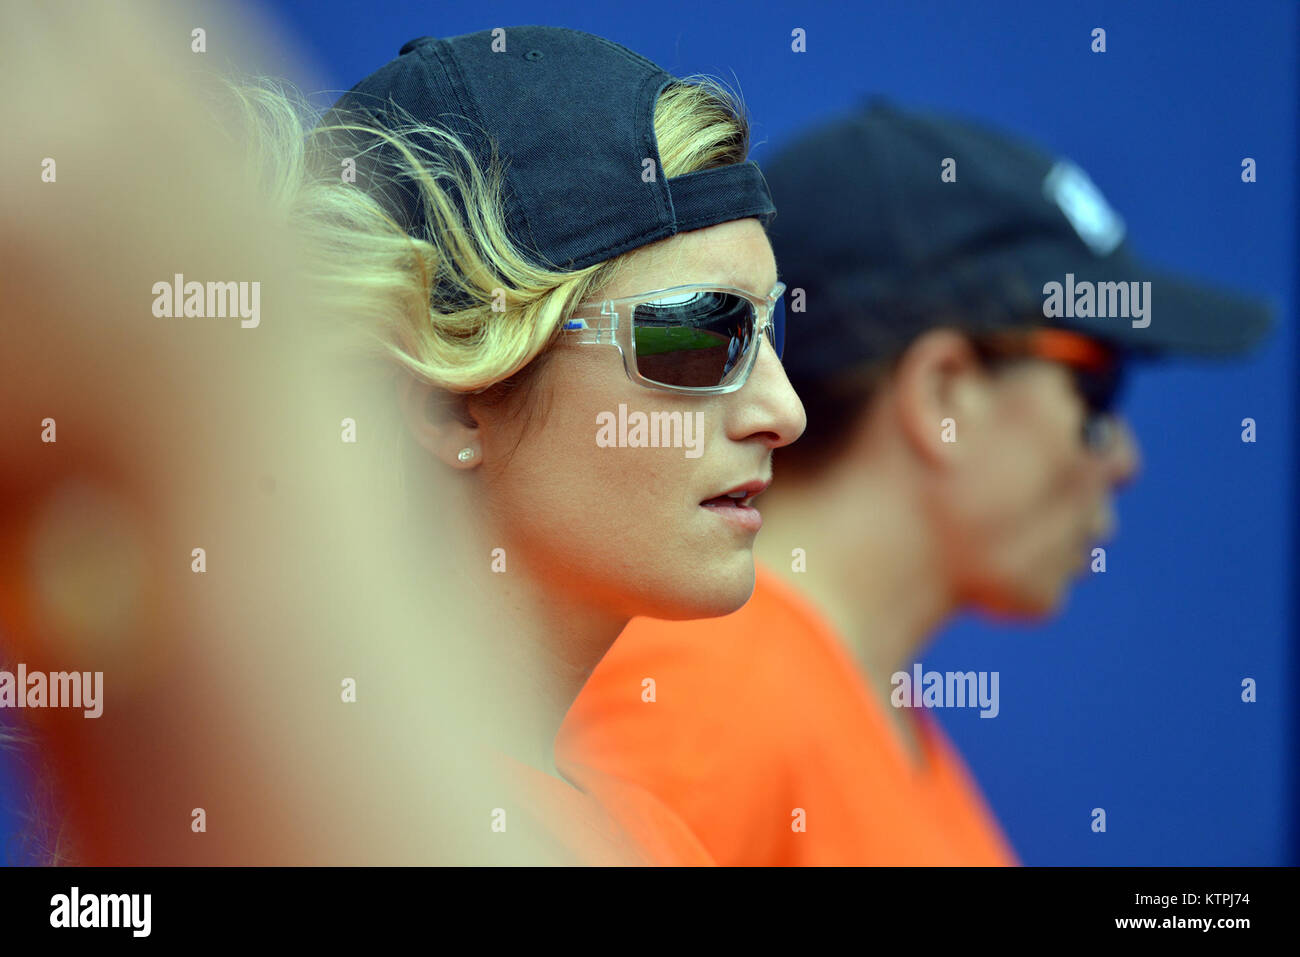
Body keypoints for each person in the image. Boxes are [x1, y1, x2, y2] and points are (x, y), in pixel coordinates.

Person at [0, 20, 803, 865]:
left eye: (771, 327)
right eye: (699, 337)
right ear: (448, 402)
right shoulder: (303, 830)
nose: (783, 411)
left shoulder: (648, 835)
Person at [557, 99, 1274, 865]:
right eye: (1095, 395)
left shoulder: (852, 705)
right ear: (944, 392)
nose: (1124, 457)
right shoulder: (707, 706)